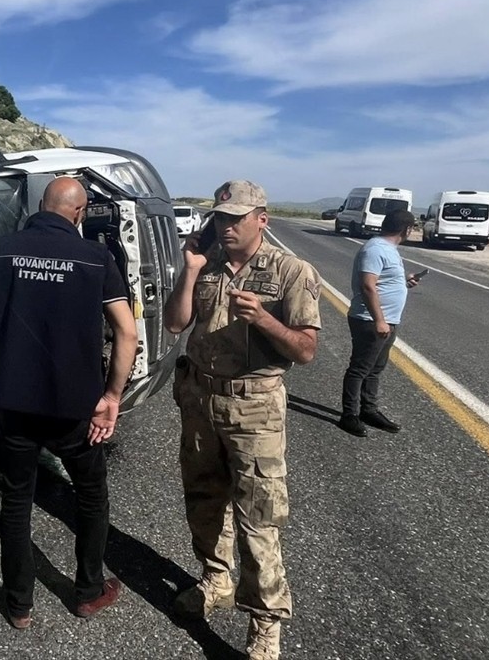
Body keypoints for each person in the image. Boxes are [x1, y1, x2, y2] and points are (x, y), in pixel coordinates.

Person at [0, 176, 138, 630]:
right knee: (90, 495)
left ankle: (19, 605)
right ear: (79, 213)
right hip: (74, 408)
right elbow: (127, 332)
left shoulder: (0, 249)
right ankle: (88, 592)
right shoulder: (96, 258)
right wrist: (112, 396)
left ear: (40, 206)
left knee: (17, 499)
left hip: (14, 404)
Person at [164, 180, 321, 660]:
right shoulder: (206, 263)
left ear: (261, 220)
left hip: (254, 407)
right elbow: (174, 323)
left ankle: (265, 624)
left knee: (259, 520)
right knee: (204, 499)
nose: (226, 226)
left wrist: (266, 321)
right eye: (220, 217)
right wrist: (190, 270)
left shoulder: (291, 271)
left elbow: (306, 350)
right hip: (200, 401)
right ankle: (216, 579)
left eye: (236, 218)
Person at [339, 209, 420, 437]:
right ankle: (349, 415)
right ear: (407, 229)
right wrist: (379, 320)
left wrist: (404, 281)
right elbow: (367, 285)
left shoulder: (388, 249)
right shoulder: (375, 249)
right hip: (370, 320)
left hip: (387, 320)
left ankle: (369, 410)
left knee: (375, 369)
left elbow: (382, 280)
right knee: (360, 369)